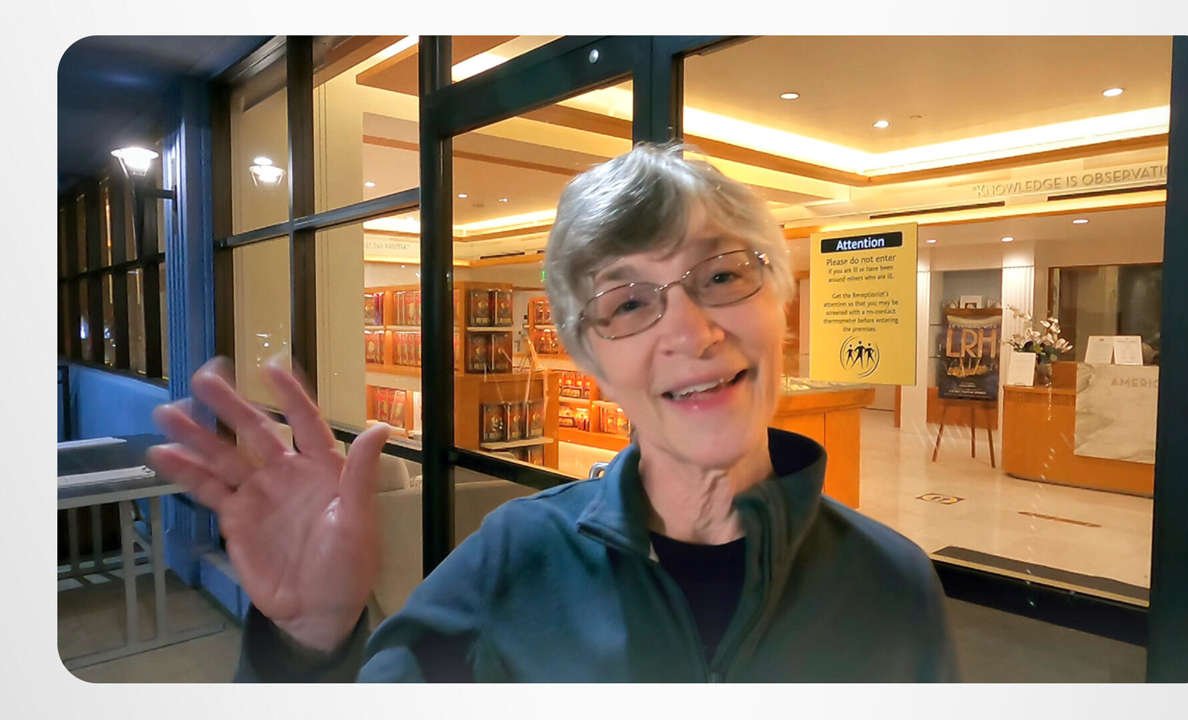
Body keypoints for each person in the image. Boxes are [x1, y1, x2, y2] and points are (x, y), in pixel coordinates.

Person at [148, 143, 957, 682]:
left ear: (782, 303)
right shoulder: (513, 559)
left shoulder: (891, 585)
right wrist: (310, 644)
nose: (690, 332)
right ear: (591, 360)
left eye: (721, 276)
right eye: (628, 302)